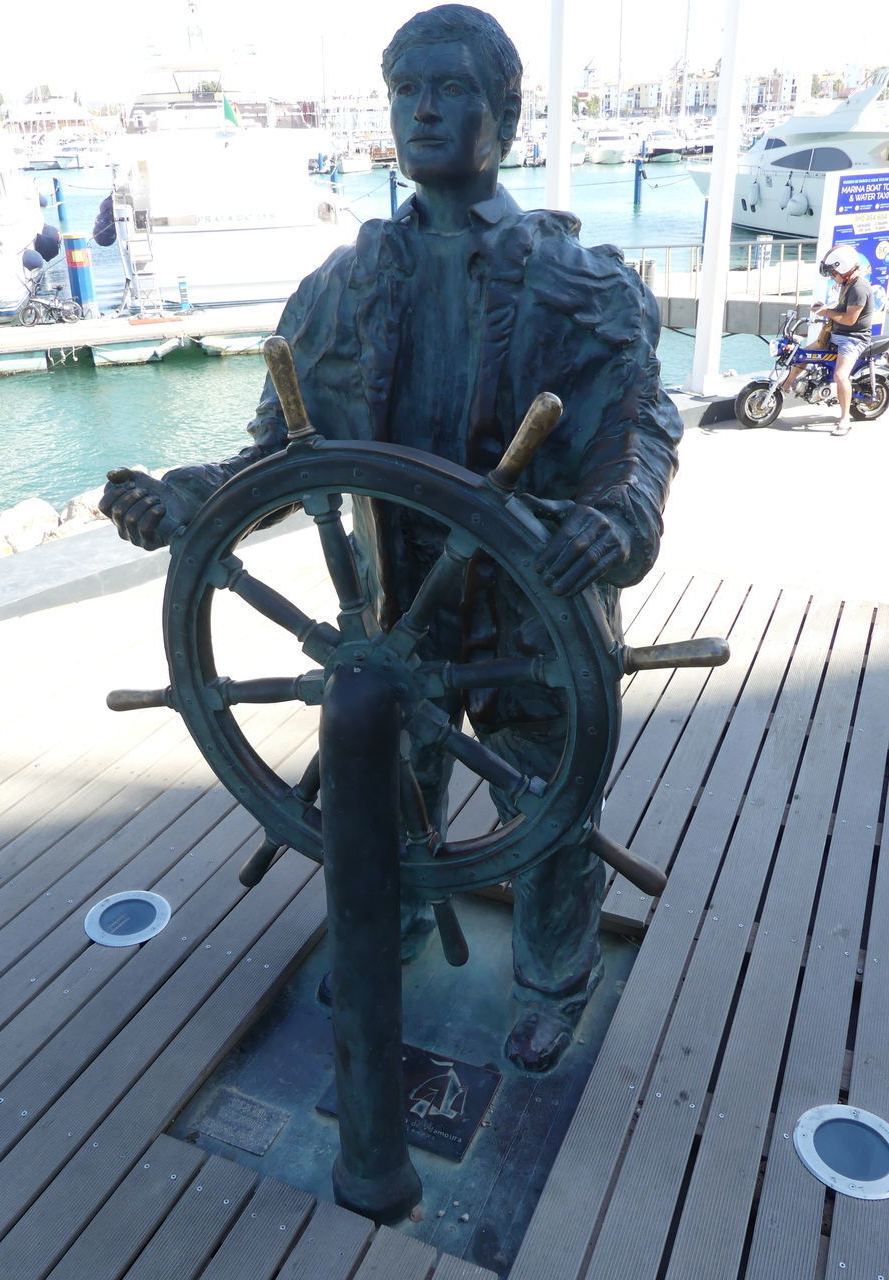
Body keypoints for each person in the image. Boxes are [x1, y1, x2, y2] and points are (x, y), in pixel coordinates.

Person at [100, 4, 682, 1073]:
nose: (425, 109)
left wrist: (619, 513)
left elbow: (638, 428)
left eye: (453, 87)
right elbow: (280, 458)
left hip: (531, 600)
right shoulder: (340, 291)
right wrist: (191, 498)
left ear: (503, 115)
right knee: (388, 776)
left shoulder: (580, 290)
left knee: (543, 801)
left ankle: (555, 978)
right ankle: (399, 916)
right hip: (388, 610)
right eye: (408, 89)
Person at [812, 246, 874, 437]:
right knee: (801, 355)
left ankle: (845, 419)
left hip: (853, 338)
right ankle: (786, 386)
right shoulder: (847, 284)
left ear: (843, 269)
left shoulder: (859, 287)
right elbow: (841, 310)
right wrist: (824, 308)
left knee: (840, 375)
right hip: (837, 333)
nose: (832, 276)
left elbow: (849, 320)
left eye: (833, 273)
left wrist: (826, 312)